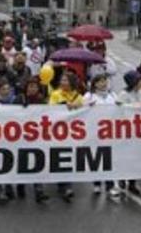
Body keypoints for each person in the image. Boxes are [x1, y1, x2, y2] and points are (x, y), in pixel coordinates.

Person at [84, 73, 122, 198]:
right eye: (100, 81)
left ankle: (110, 185)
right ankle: (97, 183)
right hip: (95, 133)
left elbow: (120, 110)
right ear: (94, 84)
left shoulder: (113, 95)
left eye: (105, 81)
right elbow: (81, 111)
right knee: (96, 159)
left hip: (110, 133)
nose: (103, 83)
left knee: (109, 160)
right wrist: (88, 107)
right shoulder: (89, 96)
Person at [49, 71, 83, 202]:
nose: (63, 83)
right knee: (59, 157)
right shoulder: (56, 94)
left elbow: (83, 110)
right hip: (58, 132)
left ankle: (67, 186)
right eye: (62, 80)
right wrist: (64, 106)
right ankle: (63, 184)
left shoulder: (78, 97)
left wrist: (78, 106)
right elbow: (51, 109)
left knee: (69, 158)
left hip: (73, 132)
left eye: (66, 80)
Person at [18, 76, 49, 203]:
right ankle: (20, 186)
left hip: (36, 137)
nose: (32, 89)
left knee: (37, 163)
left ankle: (39, 190)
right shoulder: (19, 99)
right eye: (30, 86)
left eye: (35, 87)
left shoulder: (42, 101)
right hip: (20, 137)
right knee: (22, 162)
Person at [117, 71, 141, 195]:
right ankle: (122, 176)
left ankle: (133, 182)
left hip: (138, 129)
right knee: (126, 155)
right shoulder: (123, 94)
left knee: (136, 157)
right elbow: (120, 109)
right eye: (139, 80)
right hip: (127, 130)